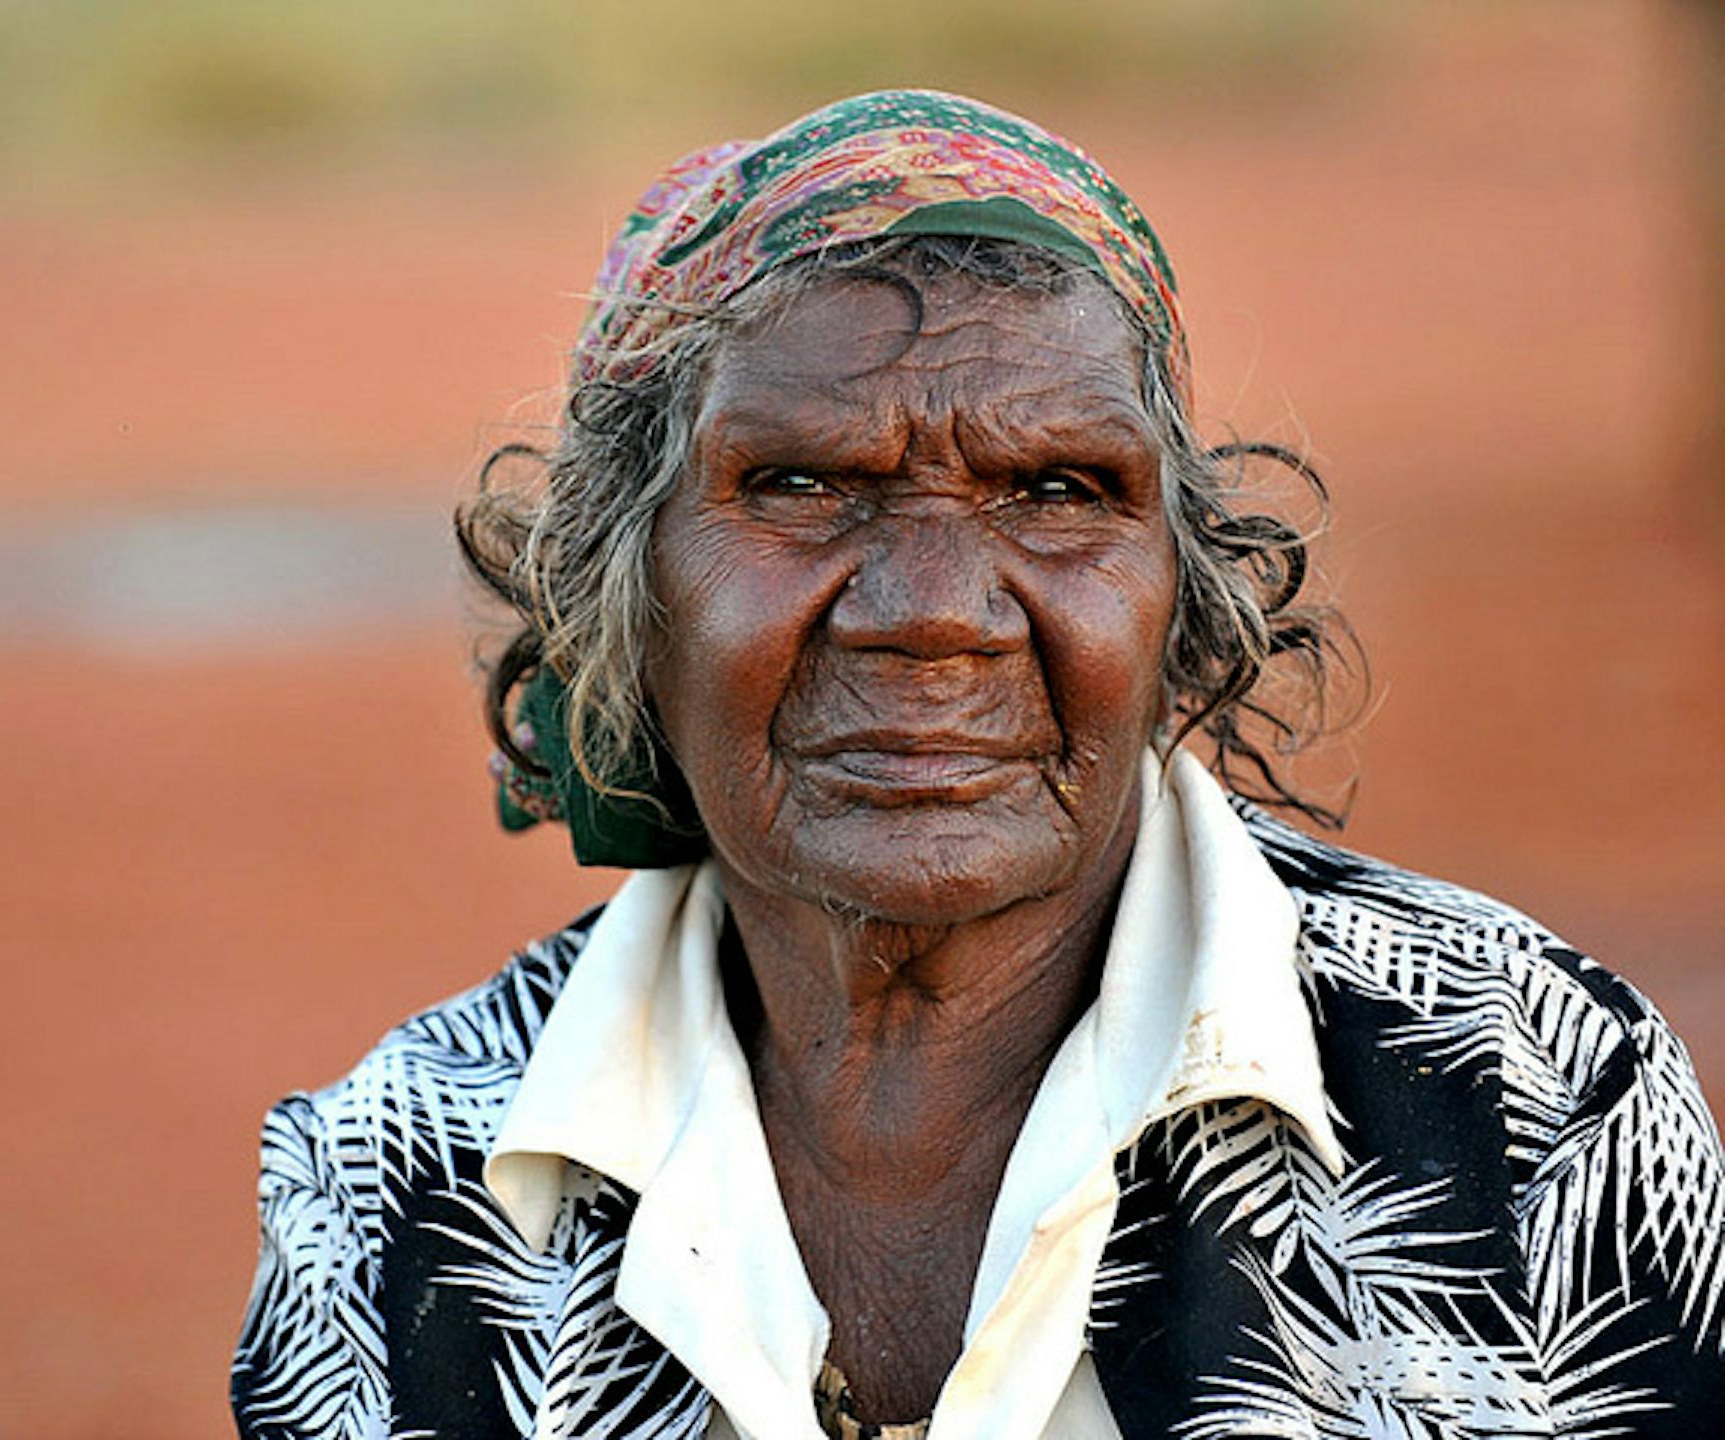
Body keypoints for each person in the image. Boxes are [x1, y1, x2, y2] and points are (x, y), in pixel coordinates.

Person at [231, 90, 1725, 1439]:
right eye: (802, 485)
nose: (935, 606)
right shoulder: (390, 1190)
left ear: (1180, 600)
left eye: (1060, 489)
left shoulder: (1535, 1100)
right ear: (623, 599)